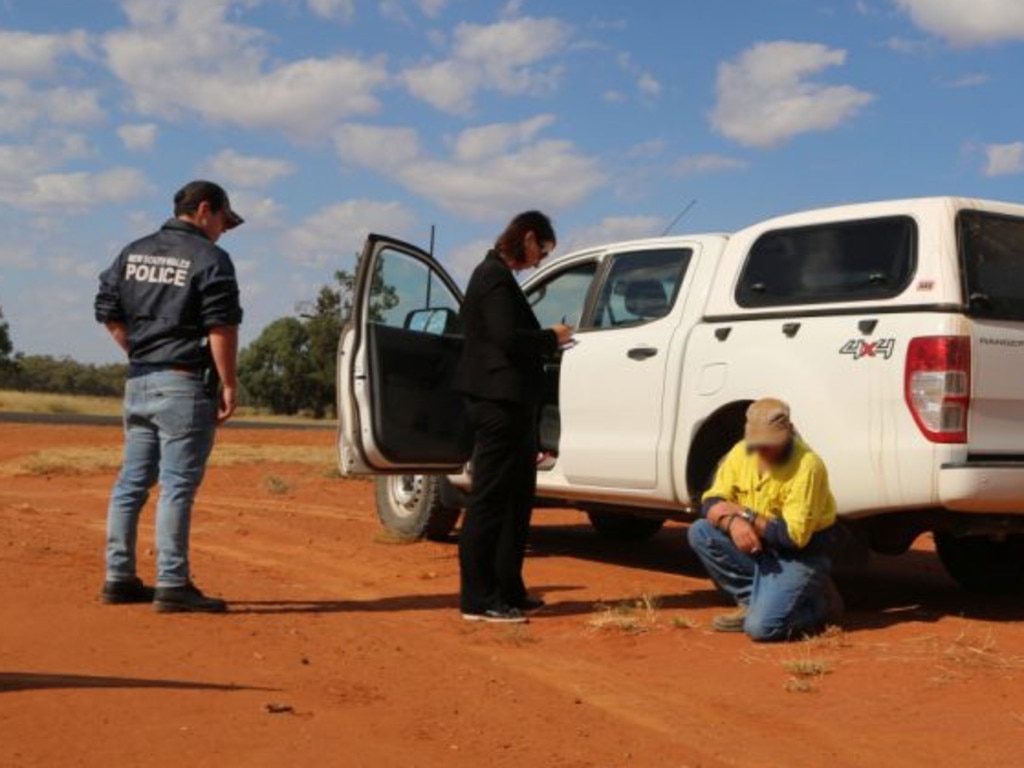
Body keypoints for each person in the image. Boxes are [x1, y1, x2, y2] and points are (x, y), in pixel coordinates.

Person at [94, 180, 245, 613]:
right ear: (204, 210)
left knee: (131, 484)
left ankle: (118, 577)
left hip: (139, 381)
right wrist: (229, 383)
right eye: (222, 221)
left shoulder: (132, 250)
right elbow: (222, 327)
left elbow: (107, 309)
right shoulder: (211, 258)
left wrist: (139, 351)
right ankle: (172, 583)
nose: (222, 231)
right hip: (183, 383)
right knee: (177, 485)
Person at [454, 211, 574, 624]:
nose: (539, 260)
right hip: (496, 403)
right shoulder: (491, 276)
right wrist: (550, 338)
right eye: (541, 250)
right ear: (527, 238)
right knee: (489, 499)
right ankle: (477, 597)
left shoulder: (499, 279)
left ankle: (508, 589)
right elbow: (506, 338)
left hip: (514, 406)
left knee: (517, 500)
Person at [687, 398, 842, 641]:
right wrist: (733, 522)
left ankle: (819, 604)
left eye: (770, 443)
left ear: (788, 434)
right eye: (757, 442)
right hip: (763, 547)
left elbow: (792, 537)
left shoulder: (807, 466)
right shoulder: (740, 452)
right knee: (701, 532)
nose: (762, 449)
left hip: (799, 555)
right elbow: (711, 501)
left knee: (761, 629)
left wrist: (743, 513)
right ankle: (752, 600)